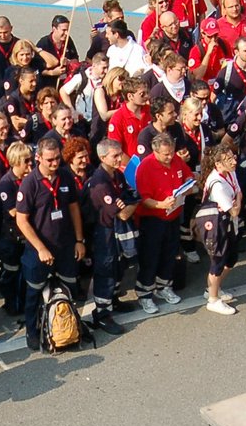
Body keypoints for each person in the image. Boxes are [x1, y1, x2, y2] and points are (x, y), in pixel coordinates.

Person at [14, 137, 86, 351]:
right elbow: (21, 220)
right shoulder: (29, 183)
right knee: (33, 293)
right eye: (50, 160)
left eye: (57, 159)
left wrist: (79, 240)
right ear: (38, 158)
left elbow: (73, 208)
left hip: (65, 246)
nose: (55, 164)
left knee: (71, 287)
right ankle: (32, 330)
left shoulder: (64, 175)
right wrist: (40, 248)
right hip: (39, 250)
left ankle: (69, 324)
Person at [134, 133, 194, 313]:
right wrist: (161, 204)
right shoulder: (146, 167)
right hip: (153, 219)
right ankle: (145, 294)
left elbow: (187, 176)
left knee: (170, 253)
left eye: (172, 153)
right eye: (166, 154)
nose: (170, 157)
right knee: (150, 257)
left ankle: (164, 286)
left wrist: (189, 185)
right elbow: (143, 198)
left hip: (173, 216)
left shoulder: (175, 159)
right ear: (155, 151)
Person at [86, 139, 136, 335]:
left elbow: (127, 197)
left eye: (119, 154)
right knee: (106, 269)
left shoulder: (116, 175)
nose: (119, 158)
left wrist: (129, 202)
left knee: (119, 264)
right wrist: (135, 203)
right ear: (102, 157)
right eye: (115, 156)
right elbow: (122, 212)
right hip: (103, 232)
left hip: (115, 230)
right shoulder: (100, 183)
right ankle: (102, 313)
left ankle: (113, 299)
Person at [192, 140, 241, 316]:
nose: (234, 161)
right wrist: (237, 203)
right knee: (218, 260)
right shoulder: (218, 184)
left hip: (227, 222)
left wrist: (238, 201)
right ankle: (212, 299)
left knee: (231, 258)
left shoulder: (230, 173)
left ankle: (214, 288)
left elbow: (239, 193)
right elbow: (234, 210)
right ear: (218, 164)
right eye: (228, 159)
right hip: (216, 224)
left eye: (233, 157)